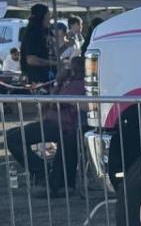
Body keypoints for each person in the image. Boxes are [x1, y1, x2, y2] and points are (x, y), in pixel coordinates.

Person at [5, 57, 87, 195]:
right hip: (52, 122)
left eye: (71, 68)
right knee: (12, 134)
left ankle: (40, 171)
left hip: (63, 126)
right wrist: (58, 82)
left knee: (15, 138)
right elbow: (50, 102)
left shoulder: (79, 84)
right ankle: (40, 169)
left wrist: (59, 82)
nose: (69, 70)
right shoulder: (68, 82)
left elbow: (54, 103)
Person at [21, 4, 56, 86]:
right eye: (48, 17)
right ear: (42, 17)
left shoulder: (47, 31)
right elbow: (31, 60)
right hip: (38, 78)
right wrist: (54, 63)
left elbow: (51, 51)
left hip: (51, 77)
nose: (49, 20)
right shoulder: (33, 34)